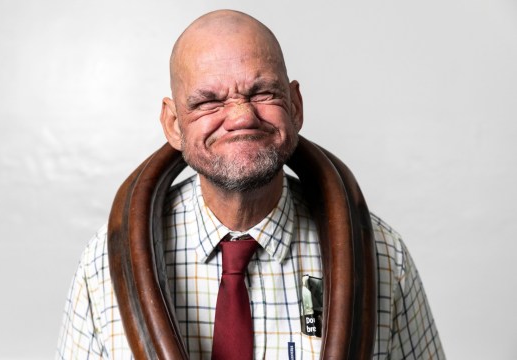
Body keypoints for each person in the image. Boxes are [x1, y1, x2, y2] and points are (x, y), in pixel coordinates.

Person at [57, 9, 445, 360]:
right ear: (174, 124)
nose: (241, 116)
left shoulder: (380, 256)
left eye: (262, 92)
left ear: (294, 106)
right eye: (209, 101)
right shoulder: (105, 266)